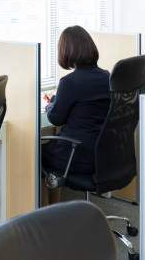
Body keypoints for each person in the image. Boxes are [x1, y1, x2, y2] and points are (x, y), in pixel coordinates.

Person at [41, 25, 110, 206]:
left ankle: (44, 214)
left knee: (35, 152)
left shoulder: (70, 82)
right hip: (101, 157)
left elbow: (55, 118)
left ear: (66, 52)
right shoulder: (108, 77)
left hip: (76, 156)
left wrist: (49, 105)